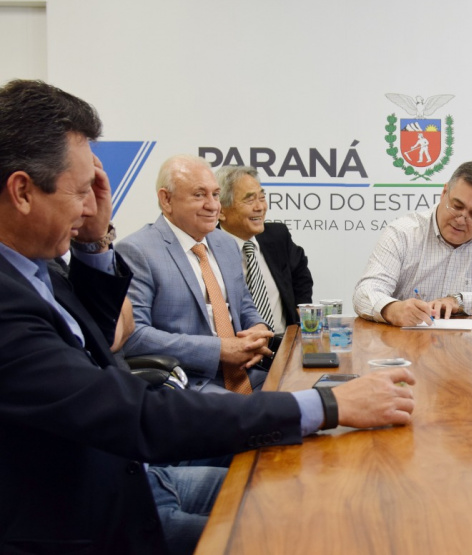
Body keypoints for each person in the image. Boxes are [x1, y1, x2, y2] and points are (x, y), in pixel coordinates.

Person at [0, 79, 415, 554]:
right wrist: (329, 406)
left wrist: (94, 243)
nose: (91, 206)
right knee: (298, 533)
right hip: (91, 522)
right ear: (23, 192)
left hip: (143, 479)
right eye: (79, 193)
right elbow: (135, 411)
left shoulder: (42, 265)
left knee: (315, 495)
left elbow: (96, 341)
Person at [119, 155, 273, 393]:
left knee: (304, 396)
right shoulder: (137, 251)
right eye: (199, 195)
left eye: (215, 194)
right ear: (166, 199)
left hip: (247, 373)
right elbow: (135, 336)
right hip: (189, 383)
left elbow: (244, 306)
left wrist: (258, 329)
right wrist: (219, 350)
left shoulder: (225, 243)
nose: (212, 205)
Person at [353, 161, 472, 327]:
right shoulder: (403, 233)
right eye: (456, 206)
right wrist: (391, 309)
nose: (461, 219)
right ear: (444, 193)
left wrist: (461, 301)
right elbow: (364, 293)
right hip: (408, 348)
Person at [215, 165, 314, 334]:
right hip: (238, 349)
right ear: (221, 210)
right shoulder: (207, 248)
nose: (260, 207)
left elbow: (300, 271)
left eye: (262, 197)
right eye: (250, 200)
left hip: (284, 343)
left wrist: (301, 307)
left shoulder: (277, 235)